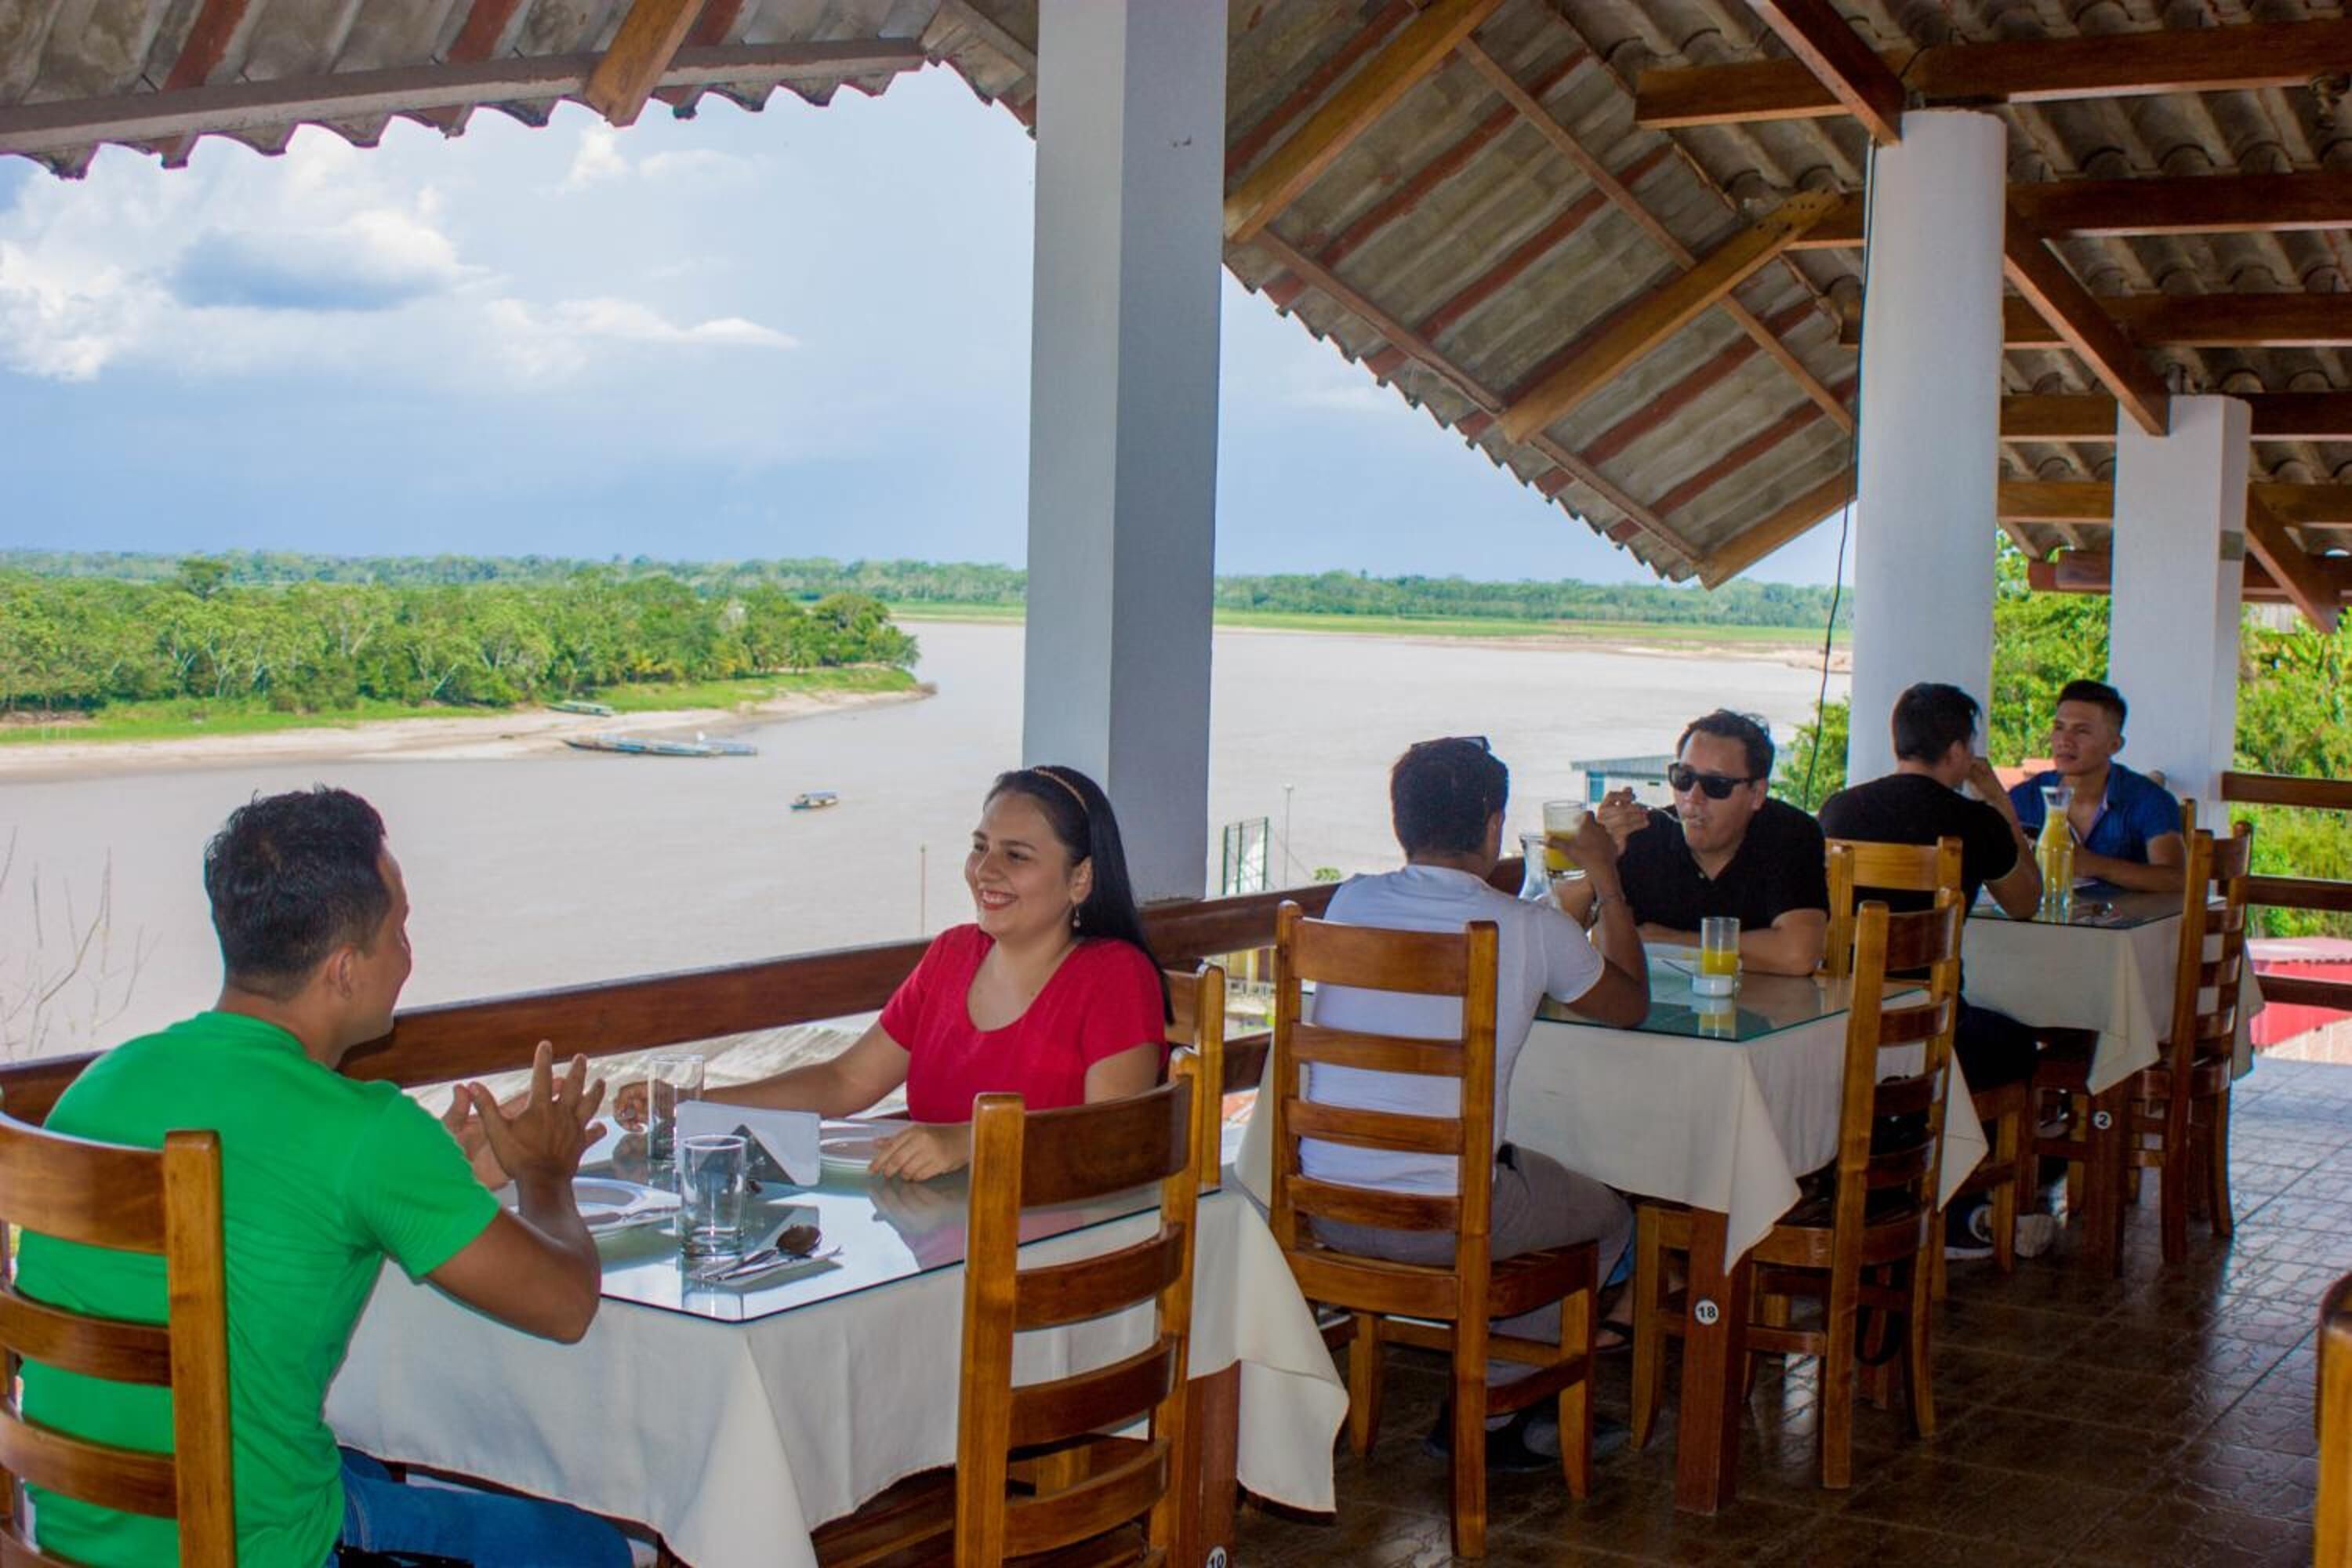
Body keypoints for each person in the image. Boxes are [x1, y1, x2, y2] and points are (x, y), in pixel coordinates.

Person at [16, 787, 630, 1568]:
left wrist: (441, 1172)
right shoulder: (363, 1131)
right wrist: (546, 1173)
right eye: (398, 930)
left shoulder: (100, 1086)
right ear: (344, 969)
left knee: (365, 1460)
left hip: (78, 1531)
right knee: (591, 1548)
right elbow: (567, 1303)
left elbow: (283, 1196)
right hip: (255, 1548)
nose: (410, 953)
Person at [1302, 737, 1650, 1470]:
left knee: (1524, 1180)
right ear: (1495, 826)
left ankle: (1500, 1398)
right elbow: (1630, 1004)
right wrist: (1606, 877)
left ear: (1401, 823)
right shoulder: (1524, 928)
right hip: (1449, 1222)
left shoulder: (1348, 902)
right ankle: (1491, 1407)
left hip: (1328, 1208)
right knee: (1612, 1215)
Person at [648, 765, 1168, 1180]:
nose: (986, 871)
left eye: (1017, 856)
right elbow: (845, 1081)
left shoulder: (1114, 977)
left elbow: (1110, 1138)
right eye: (980, 847)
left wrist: (970, 1142)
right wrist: (698, 1105)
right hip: (936, 1238)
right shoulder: (950, 955)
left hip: (1059, 1248)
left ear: (1080, 879)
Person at [1817, 684, 2059, 1259]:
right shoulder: (1973, 821)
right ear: (1957, 750)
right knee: (2021, 1046)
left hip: (1842, 1020)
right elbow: (2026, 900)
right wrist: (1998, 799)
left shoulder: (1838, 809)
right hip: (1935, 1026)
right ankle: (1979, 1203)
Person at [1581, 710, 1829, 975]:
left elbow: (1797, 955)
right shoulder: (1642, 834)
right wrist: (1596, 861)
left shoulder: (1789, 834)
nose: (1693, 797)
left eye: (1716, 785)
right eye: (1683, 778)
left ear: (1756, 794)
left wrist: (1667, 941)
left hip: (1769, 1011)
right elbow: (1593, 945)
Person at [2008, 678, 2186, 895]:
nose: (2065, 740)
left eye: (2081, 731)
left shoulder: (2148, 800)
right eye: (2059, 727)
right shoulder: (2027, 797)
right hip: (2041, 922)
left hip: (2127, 925)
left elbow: (2177, 879)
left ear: (2114, 745)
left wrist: (2094, 865)